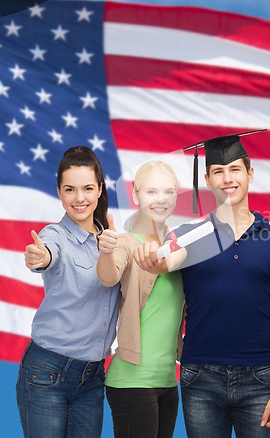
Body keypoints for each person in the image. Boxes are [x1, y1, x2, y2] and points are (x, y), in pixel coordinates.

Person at [134, 133, 270, 438]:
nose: (228, 179)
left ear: (250, 173)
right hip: (200, 377)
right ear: (208, 179)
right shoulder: (187, 235)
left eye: (235, 169)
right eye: (219, 172)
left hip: (261, 379)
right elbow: (166, 262)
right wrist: (151, 260)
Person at [17, 146, 121, 438]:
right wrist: (40, 257)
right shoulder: (55, 235)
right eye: (70, 189)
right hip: (47, 372)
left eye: (88, 188)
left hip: (92, 378)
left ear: (100, 189)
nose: (79, 198)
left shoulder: (110, 240)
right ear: (59, 192)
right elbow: (47, 254)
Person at [96, 160, 185, 438]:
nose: (161, 199)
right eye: (151, 192)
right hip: (132, 381)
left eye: (168, 192)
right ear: (135, 195)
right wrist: (107, 251)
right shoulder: (125, 242)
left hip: (168, 380)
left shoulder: (179, 247)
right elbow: (108, 277)